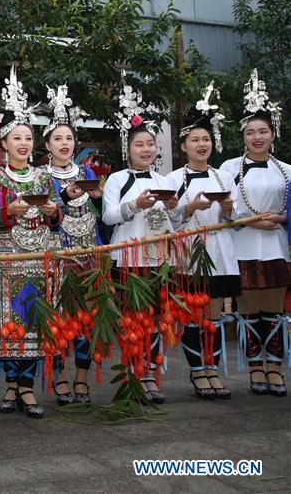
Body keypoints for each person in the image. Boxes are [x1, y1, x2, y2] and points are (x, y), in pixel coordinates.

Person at [0, 66, 60, 419]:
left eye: (28, 138)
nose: (24, 144)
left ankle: (27, 387)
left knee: (32, 318)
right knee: (7, 320)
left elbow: (56, 219)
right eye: (17, 138)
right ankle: (10, 383)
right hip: (4, 258)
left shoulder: (44, 176)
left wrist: (55, 210)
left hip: (38, 255)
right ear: (4, 143)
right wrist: (6, 210)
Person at [101, 75, 177, 404]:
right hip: (129, 261)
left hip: (160, 260)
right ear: (127, 148)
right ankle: (133, 373)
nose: (146, 149)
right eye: (139, 144)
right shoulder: (117, 179)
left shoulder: (166, 179)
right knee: (133, 319)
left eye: (150, 144)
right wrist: (134, 205)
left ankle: (150, 374)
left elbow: (174, 221)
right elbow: (108, 217)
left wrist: (177, 208)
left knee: (157, 320)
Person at [219, 69, 290, 397]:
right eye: (250, 133)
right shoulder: (229, 168)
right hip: (243, 246)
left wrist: (280, 217)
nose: (257, 137)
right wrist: (250, 221)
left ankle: (275, 368)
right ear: (243, 137)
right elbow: (222, 212)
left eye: (263, 131)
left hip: (275, 246)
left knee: (273, 311)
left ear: (273, 134)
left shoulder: (287, 170)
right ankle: (255, 369)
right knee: (247, 312)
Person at [166, 82, 235, 400]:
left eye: (205, 139)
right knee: (192, 315)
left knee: (215, 315)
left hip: (220, 251)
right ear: (184, 146)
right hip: (188, 254)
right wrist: (190, 207)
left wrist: (228, 210)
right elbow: (169, 221)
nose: (201, 144)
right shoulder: (172, 180)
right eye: (195, 139)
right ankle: (197, 372)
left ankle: (214, 369)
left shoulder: (225, 177)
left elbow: (230, 224)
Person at [42, 84, 103, 405]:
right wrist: (64, 197)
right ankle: (59, 376)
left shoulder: (88, 172)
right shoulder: (40, 176)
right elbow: (42, 214)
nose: (65, 144)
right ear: (48, 145)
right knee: (57, 317)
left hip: (89, 255)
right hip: (57, 257)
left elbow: (106, 216)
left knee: (86, 318)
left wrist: (99, 199)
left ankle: (82, 376)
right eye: (58, 139)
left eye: (69, 138)